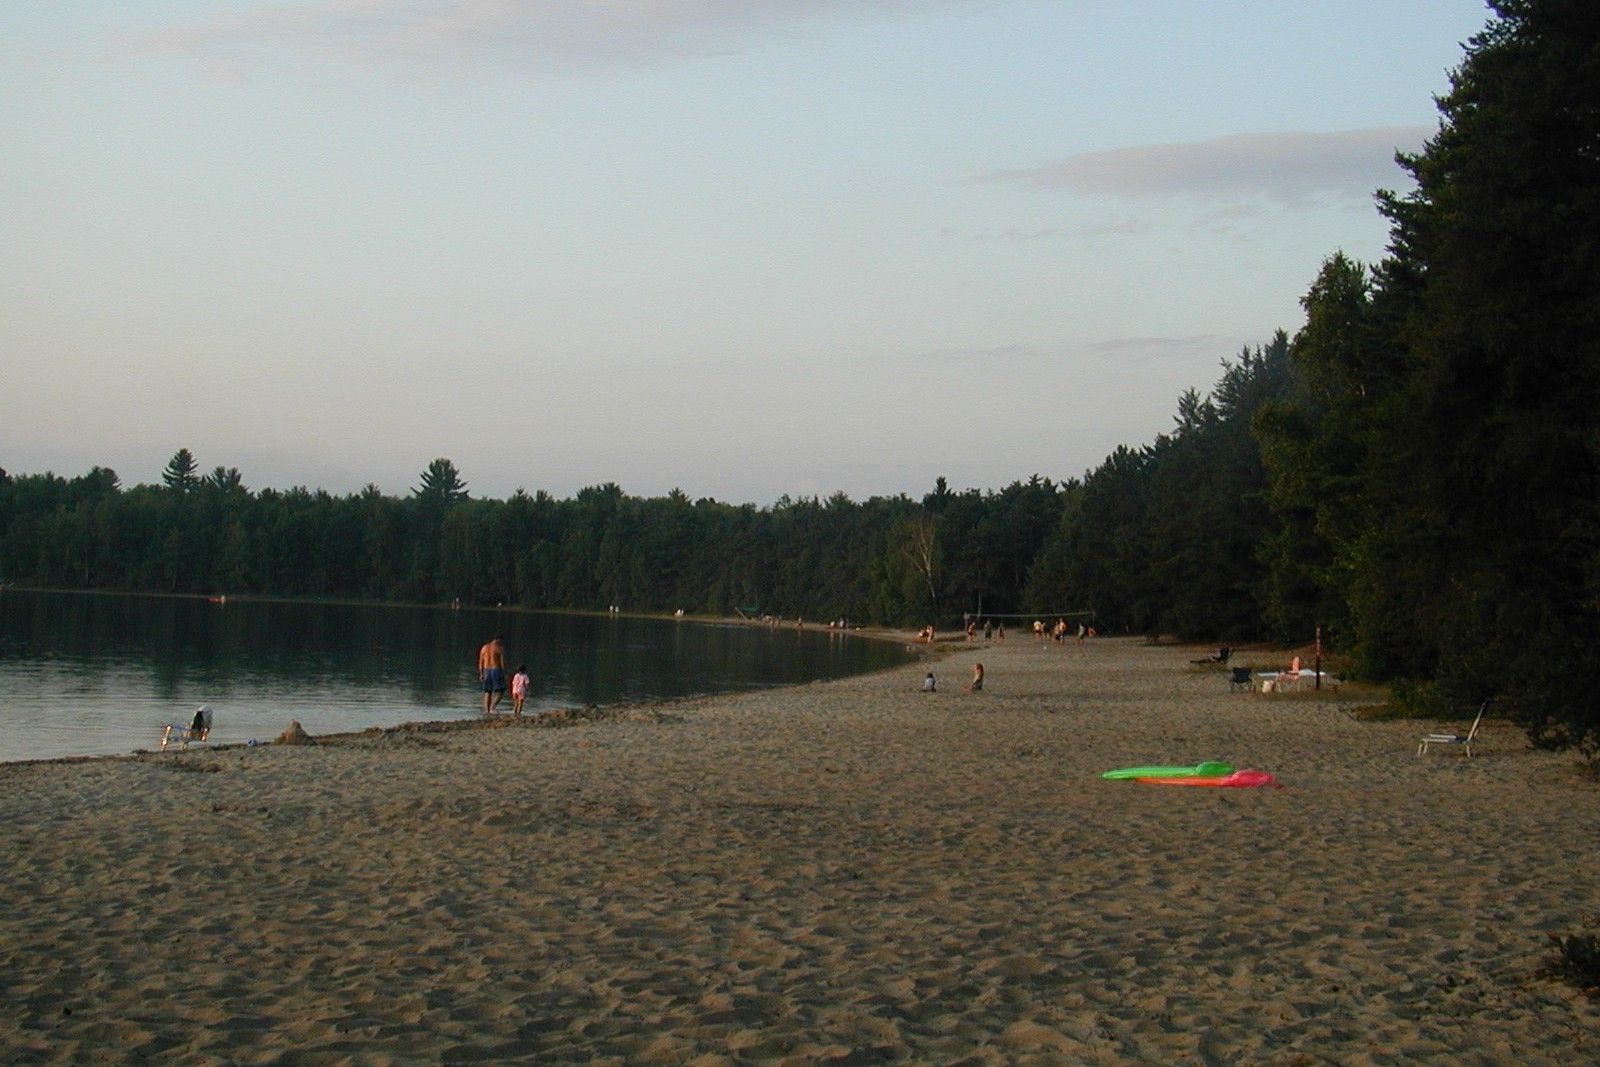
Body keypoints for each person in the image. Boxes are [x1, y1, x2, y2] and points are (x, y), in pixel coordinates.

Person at [478, 637, 507, 715]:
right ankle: (492, 707)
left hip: (486, 670)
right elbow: (502, 662)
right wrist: (504, 673)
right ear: (498, 640)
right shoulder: (499, 648)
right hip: (496, 669)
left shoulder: (484, 648)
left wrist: (481, 673)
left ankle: (487, 711)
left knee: (488, 691)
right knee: (501, 691)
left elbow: (481, 662)